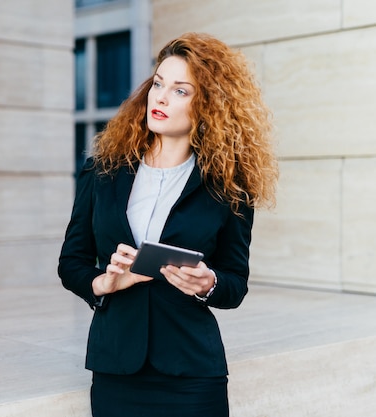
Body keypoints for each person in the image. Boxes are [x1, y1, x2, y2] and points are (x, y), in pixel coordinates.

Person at [58, 32, 278, 417]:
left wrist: (209, 283)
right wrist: (103, 283)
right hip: (116, 368)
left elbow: (235, 283)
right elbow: (71, 262)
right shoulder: (103, 170)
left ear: (209, 105)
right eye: (158, 83)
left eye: (180, 91)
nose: (159, 97)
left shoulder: (230, 187)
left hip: (192, 371)